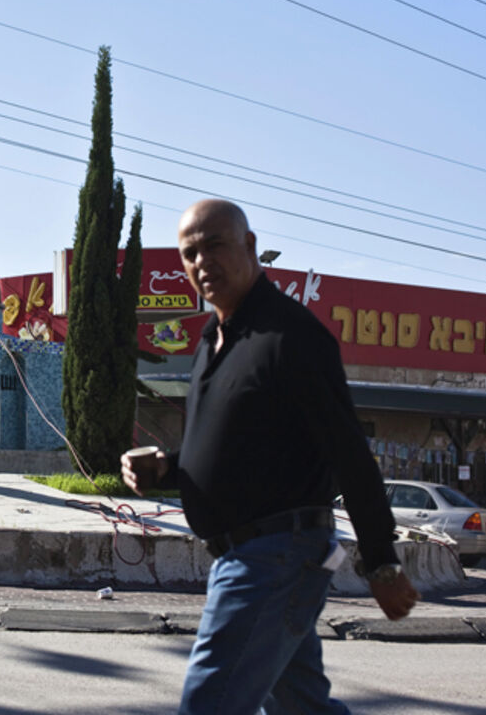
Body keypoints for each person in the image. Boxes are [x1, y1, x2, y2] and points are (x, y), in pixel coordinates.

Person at [121, 199, 419, 715]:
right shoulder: (213, 338)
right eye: (190, 253)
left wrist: (382, 562)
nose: (202, 263)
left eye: (215, 245)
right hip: (244, 554)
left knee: (210, 702)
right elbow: (240, 446)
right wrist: (168, 466)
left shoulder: (291, 335)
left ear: (250, 246)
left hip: (278, 554)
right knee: (301, 706)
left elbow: (349, 451)